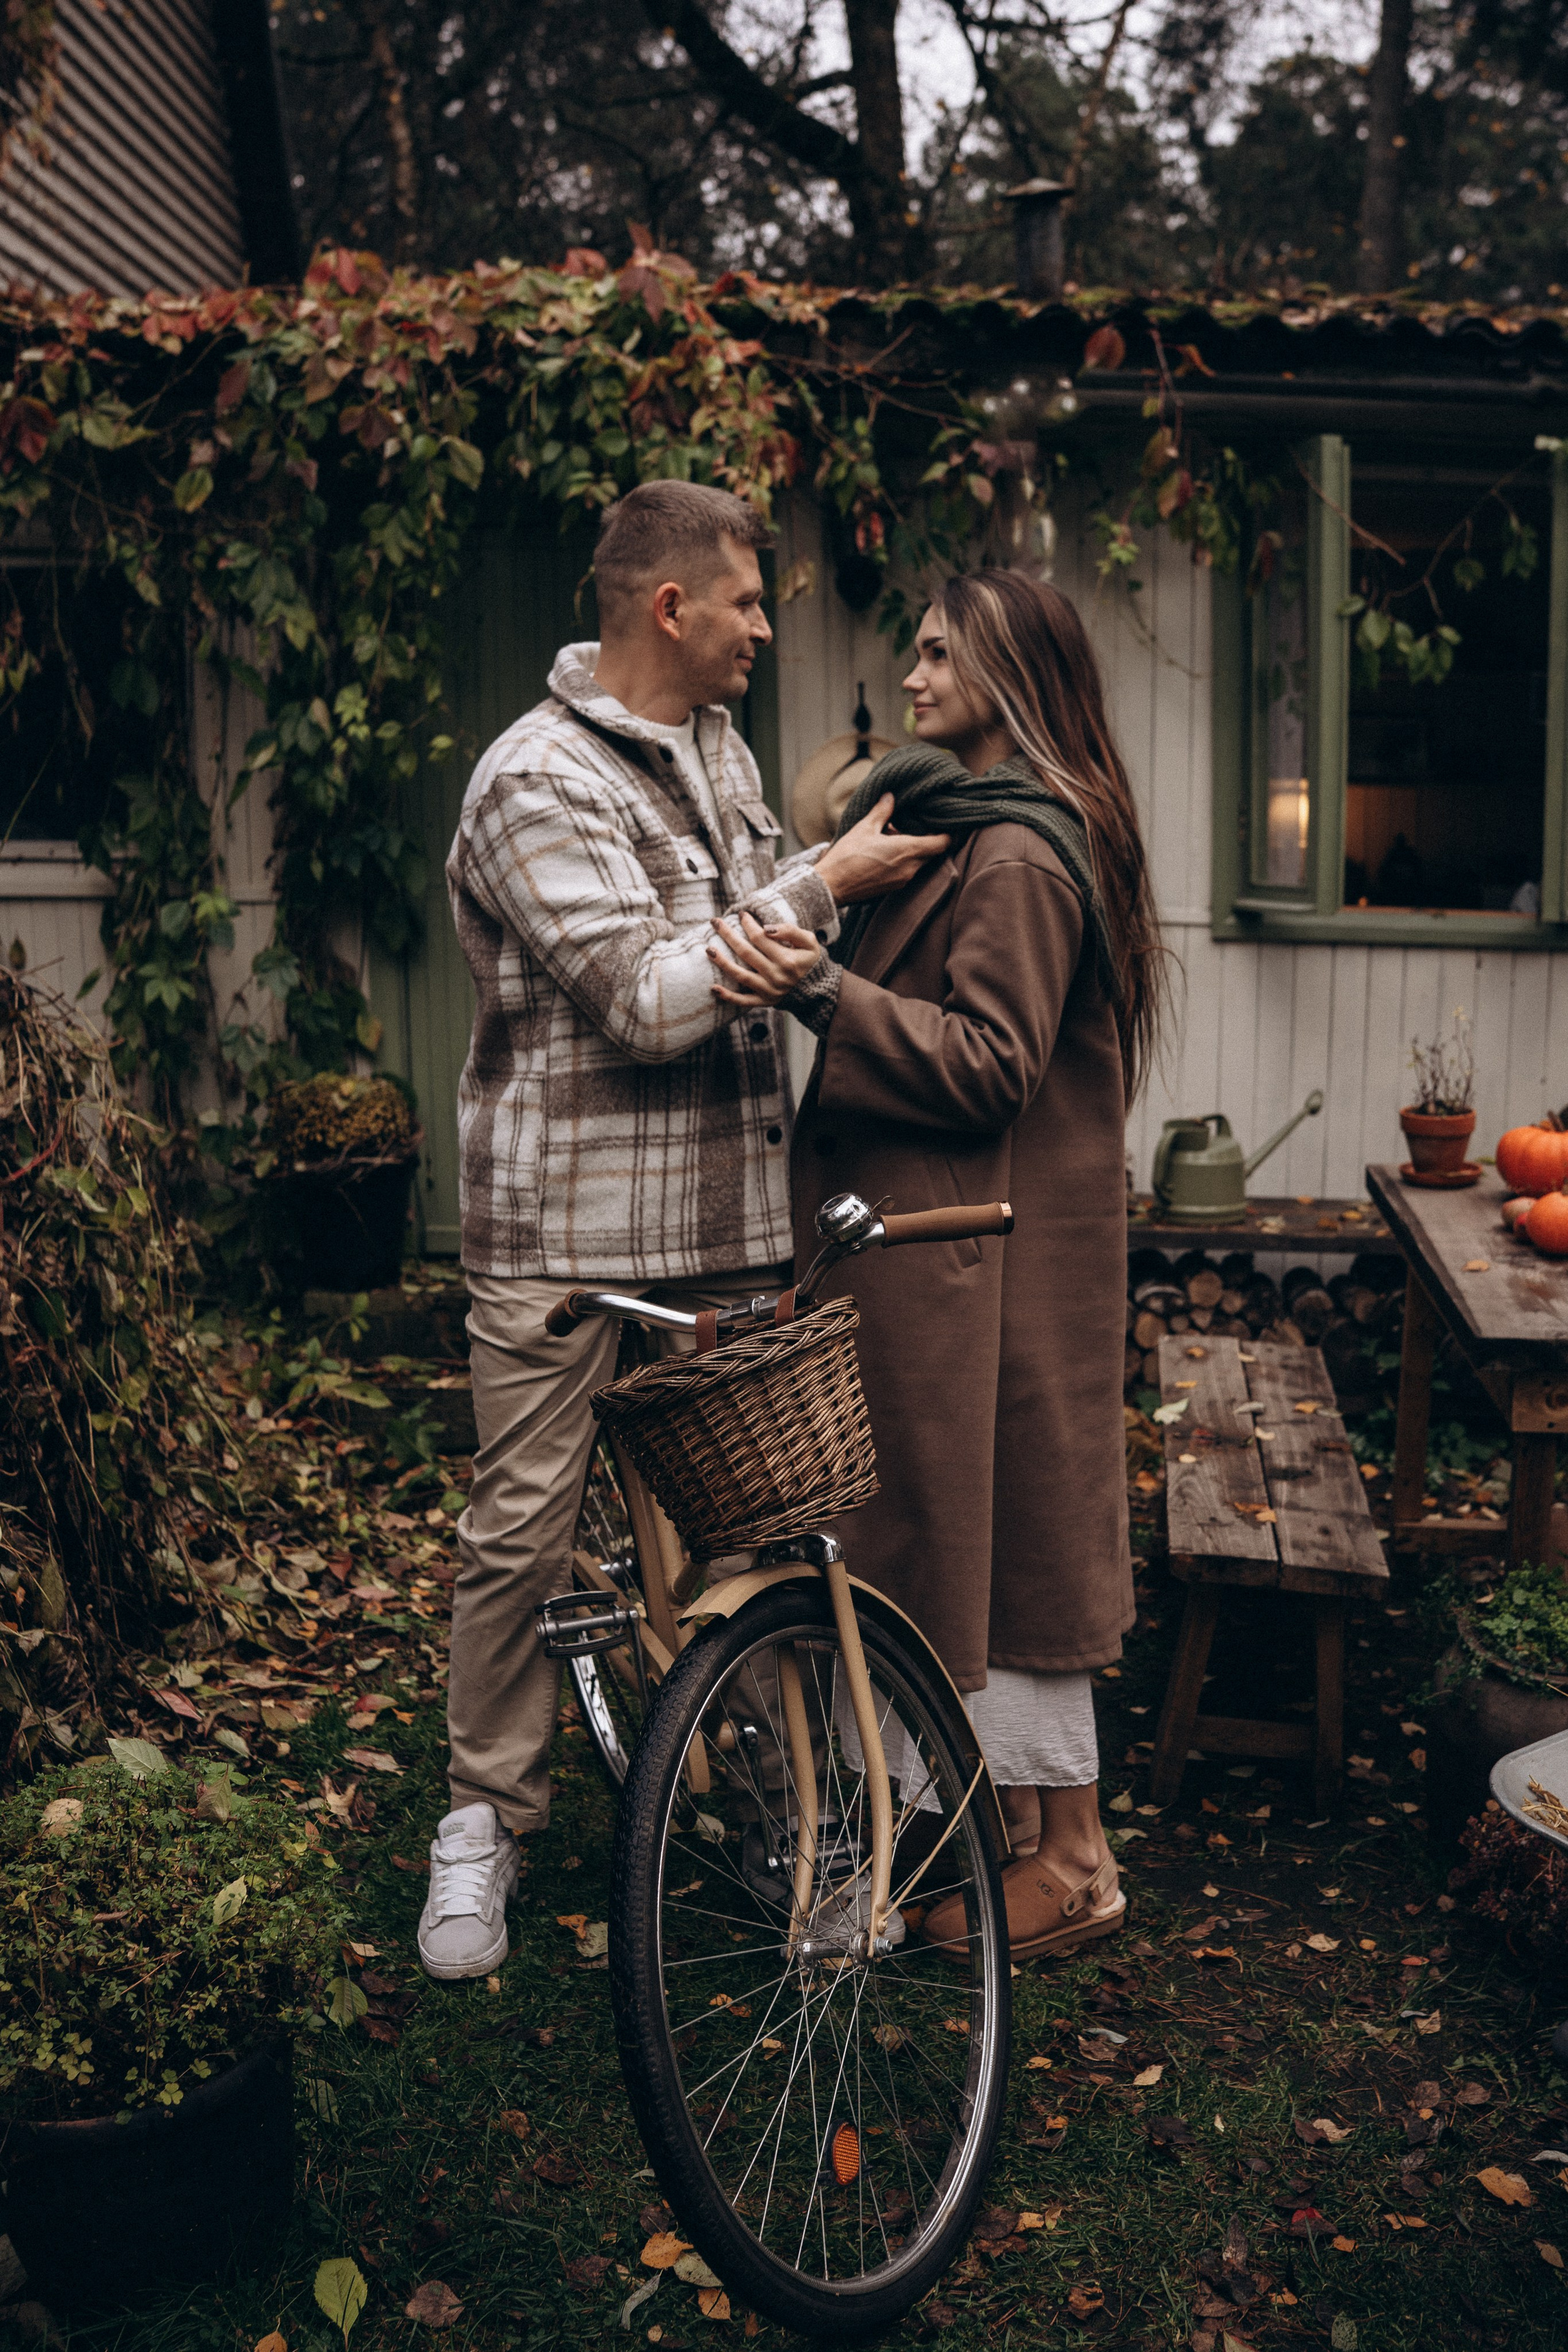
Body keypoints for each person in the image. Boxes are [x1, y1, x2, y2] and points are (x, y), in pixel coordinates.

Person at [419, 478, 948, 1979]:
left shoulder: (716, 751)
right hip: (564, 1239)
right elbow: (648, 997)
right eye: (747, 603)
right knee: (522, 1532)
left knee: (765, 1531)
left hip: (721, 1216)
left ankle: (804, 1829)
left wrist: (825, 891)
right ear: (669, 607)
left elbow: (760, 935)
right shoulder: (530, 780)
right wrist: (820, 881)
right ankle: (483, 1823)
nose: (764, 631)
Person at [709, 568, 1164, 1962]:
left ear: (1004, 673)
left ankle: (1070, 1859)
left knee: (1011, 1550)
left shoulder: (1020, 851)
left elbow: (991, 1063)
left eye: (930, 655)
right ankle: (1021, 1844)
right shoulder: (977, 830)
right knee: (976, 1550)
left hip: (989, 1269)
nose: (907, 683)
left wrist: (819, 991)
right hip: (952, 1258)